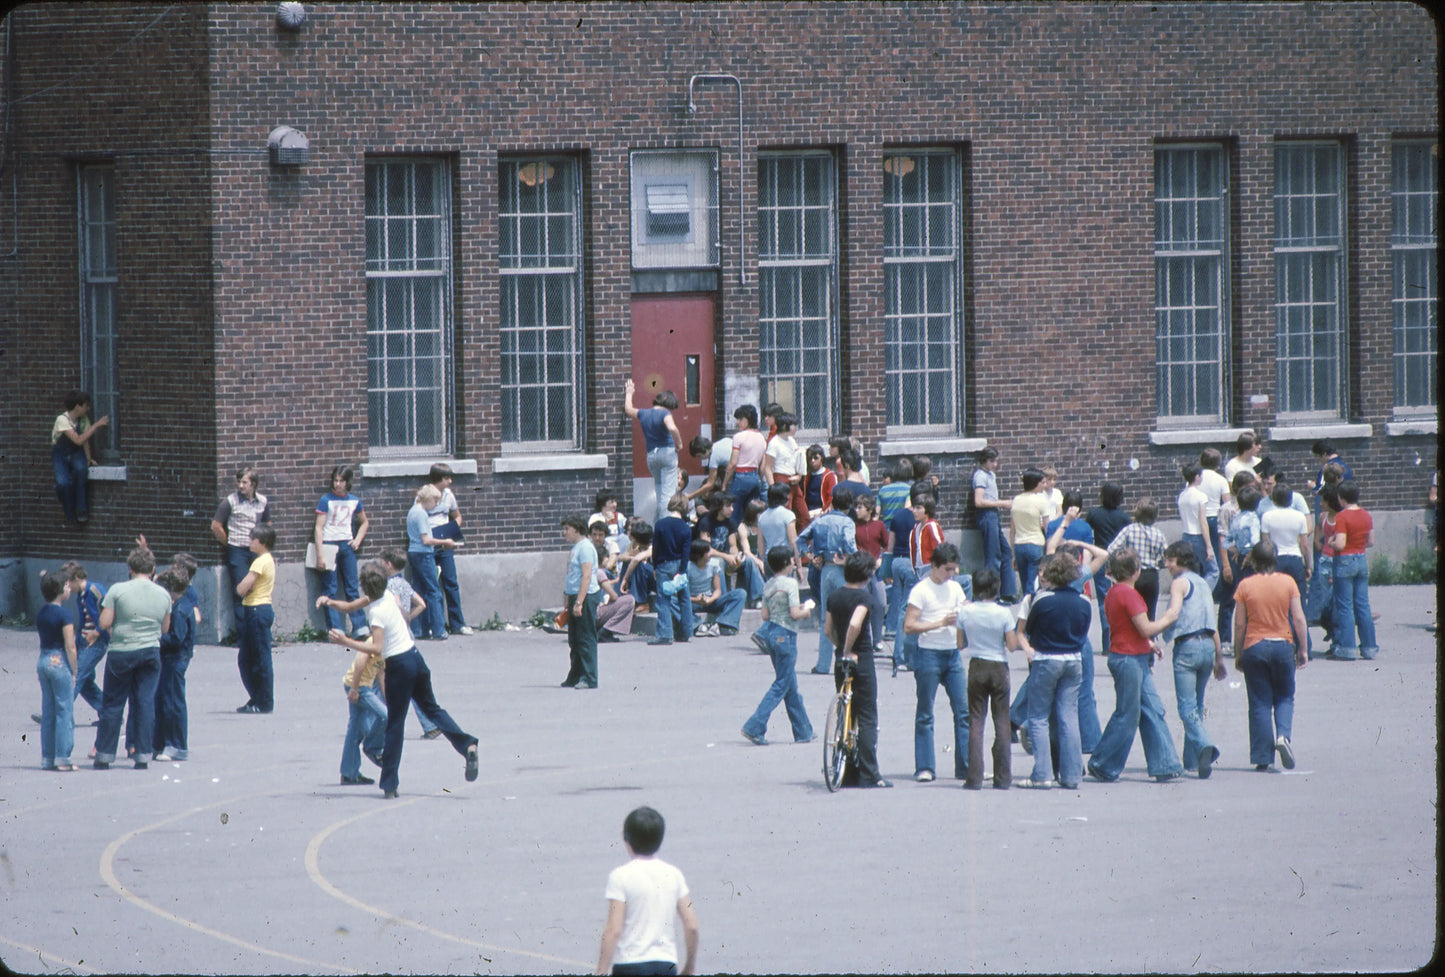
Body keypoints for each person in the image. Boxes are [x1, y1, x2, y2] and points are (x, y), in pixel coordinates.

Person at [327, 562, 479, 798]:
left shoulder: (376, 612)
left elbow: (376, 647)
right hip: (416, 659)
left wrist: (344, 641)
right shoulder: (386, 594)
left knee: (395, 725)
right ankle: (467, 744)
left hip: (398, 665)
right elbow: (351, 606)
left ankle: (389, 785)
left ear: (365, 587)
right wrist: (330, 602)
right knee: (433, 709)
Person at [1086, 547, 1184, 783]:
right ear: (1135, 571)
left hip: (1131, 654)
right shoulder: (1129, 595)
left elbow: (1127, 627)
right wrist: (1169, 618)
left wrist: (1148, 643)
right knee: (1128, 714)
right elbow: (1146, 627)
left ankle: (1165, 763)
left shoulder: (1114, 592)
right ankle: (1102, 763)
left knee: (1152, 709)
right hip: (1129, 658)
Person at [1014, 551, 1092, 789]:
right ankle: (1071, 775)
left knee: (1038, 716)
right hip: (1074, 660)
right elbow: (1084, 630)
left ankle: (1042, 774)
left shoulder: (1041, 599)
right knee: (1068, 716)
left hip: (1046, 657)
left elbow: (1032, 628)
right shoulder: (1084, 601)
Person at [595, 806, 700, 976]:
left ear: (626, 838)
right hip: (665, 965)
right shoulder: (674, 874)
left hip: (629, 966)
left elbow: (614, 929)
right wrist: (690, 966)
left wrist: (600, 971)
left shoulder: (620, 876)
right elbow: (692, 926)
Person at [1232, 540, 1308, 770]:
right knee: (1285, 696)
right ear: (1275, 559)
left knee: (1259, 702)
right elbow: (1299, 618)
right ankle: (1283, 736)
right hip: (1282, 645)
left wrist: (1238, 653)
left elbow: (1239, 624)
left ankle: (1263, 757)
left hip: (1255, 646)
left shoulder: (1245, 585)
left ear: (1253, 560)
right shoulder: (1288, 582)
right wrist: (1302, 649)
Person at [92, 546, 170, 769]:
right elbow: (165, 627)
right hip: (150, 651)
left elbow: (104, 623)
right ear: (153, 568)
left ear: (130, 568)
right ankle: (143, 754)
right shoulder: (163, 594)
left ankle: (105, 753)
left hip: (121, 650)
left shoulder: (118, 590)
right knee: (144, 702)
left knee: (113, 703)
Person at [1158, 541, 1227, 778]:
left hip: (1187, 647)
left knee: (1186, 707)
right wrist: (1219, 657)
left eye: (1170, 560)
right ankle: (1193, 760)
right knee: (1196, 706)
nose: (1166, 565)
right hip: (1207, 645)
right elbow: (1213, 623)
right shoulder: (1203, 584)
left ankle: (1206, 745)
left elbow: (1173, 613)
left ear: (1181, 561)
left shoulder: (1180, 583)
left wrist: (1153, 631)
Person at [903, 542, 970, 783]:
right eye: (948, 569)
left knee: (963, 712)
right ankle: (925, 767)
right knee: (925, 712)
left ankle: (965, 766)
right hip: (928, 653)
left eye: (954, 569)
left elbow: (964, 610)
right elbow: (909, 626)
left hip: (952, 654)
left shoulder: (955, 589)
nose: (952, 574)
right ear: (934, 566)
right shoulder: (921, 590)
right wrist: (940, 623)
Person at [827, 550, 890, 788]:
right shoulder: (864, 598)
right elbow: (855, 623)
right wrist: (848, 648)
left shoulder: (834, 596)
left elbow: (827, 630)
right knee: (866, 716)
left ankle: (845, 772)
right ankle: (869, 773)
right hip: (860, 657)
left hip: (840, 660)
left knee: (847, 712)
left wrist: (839, 648)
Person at [741, 547, 816, 746]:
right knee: (782, 684)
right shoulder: (790, 584)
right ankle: (754, 726)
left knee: (790, 684)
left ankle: (804, 731)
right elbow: (794, 614)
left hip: (772, 633)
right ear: (786, 563)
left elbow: (765, 615)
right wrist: (806, 611)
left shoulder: (768, 585)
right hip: (786, 635)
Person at [958, 569, 1018, 790]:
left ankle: (974, 777)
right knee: (1002, 721)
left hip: (977, 665)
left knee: (976, 721)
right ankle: (1002, 777)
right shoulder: (1004, 613)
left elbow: (960, 644)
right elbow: (1012, 646)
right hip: (998, 665)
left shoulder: (965, 612)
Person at [798, 484, 858, 674]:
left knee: (827, 617)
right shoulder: (847, 522)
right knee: (850, 615)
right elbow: (849, 544)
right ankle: (846, 658)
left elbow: (799, 539)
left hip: (825, 570)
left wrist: (810, 555)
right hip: (842, 570)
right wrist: (853, 558)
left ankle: (823, 664)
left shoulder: (820, 521)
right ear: (849, 505)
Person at [211, 466, 270, 641]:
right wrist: (228, 543)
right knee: (241, 592)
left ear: (253, 484)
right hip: (238, 550)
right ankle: (244, 637)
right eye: (239, 482)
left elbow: (267, 525)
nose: (240, 485)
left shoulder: (262, 502)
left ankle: (261, 634)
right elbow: (215, 525)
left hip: (256, 551)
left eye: (244, 482)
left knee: (259, 590)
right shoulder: (230, 501)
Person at [314, 464, 370, 638]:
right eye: (335, 481)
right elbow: (318, 528)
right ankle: (335, 629)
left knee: (352, 587)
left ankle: (360, 627)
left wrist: (358, 539)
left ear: (348, 482)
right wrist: (320, 554)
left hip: (346, 545)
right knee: (330, 588)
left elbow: (365, 522)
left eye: (341, 481)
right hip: (329, 544)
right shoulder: (326, 500)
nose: (338, 484)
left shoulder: (354, 500)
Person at [1260, 481, 1312, 656]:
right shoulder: (1299, 517)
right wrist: (1308, 564)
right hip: (1295, 558)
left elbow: (1265, 542)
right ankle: (1304, 646)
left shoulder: (1267, 516)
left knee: (1277, 603)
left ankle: (1284, 642)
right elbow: (1304, 544)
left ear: (1274, 499)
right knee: (1299, 604)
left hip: (1276, 560)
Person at [1328, 481, 1377, 661]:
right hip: (1361, 558)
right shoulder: (1366, 515)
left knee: (1345, 606)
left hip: (1344, 560)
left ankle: (1348, 647)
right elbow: (1370, 541)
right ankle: (1369, 647)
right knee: (1363, 605)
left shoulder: (1342, 517)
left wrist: (1331, 542)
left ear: (1341, 499)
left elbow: (1339, 543)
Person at [625, 379, 684, 525]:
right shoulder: (665, 413)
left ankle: (658, 525)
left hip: (652, 455)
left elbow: (628, 409)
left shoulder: (644, 413)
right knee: (668, 494)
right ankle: (666, 526)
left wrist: (629, 393)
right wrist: (679, 444)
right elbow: (672, 428)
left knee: (659, 491)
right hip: (667, 453)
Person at [36, 571, 78, 770]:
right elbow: (70, 646)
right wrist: (75, 670)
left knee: (49, 710)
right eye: (67, 586)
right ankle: (63, 757)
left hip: (43, 659)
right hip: (59, 659)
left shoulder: (42, 612)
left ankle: (48, 757)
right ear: (60, 591)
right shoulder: (65, 614)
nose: (69, 589)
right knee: (64, 710)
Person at [406, 483, 459, 641]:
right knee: (434, 591)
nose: (436, 505)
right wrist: (445, 541)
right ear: (428, 499)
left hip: (413, 552)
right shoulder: (421, 514)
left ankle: (418, 629)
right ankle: (438, 629)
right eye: (435, 501)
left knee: (419, 591)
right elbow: (426, 539)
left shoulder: (412, 512)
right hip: (423, 554)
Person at [153, 568, 195, 762]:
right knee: (168, 699)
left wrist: (157, 639)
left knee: (172, 701)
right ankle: (165, 742)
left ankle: (176, 745)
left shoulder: (179, 610)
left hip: (175, 659)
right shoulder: (183, 605)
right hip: (176, 658)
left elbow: (176, 638)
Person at [234, 524, 277, 714]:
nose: (250, 542)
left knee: (258, 659)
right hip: (256, 610)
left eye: (253, 539)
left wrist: (242, 587)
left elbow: (242, 588)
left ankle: (264, 702)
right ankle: (257, 697)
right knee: (248, 658)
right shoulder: (265, 560)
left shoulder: (260, 562)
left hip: (256, 610)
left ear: (262, 542)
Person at [426, 464, 472, 636]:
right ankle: (435, 624)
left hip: (445, 543)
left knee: (450, 582)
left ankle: (457, 623)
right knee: (431, 586)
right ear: (439, 479)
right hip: (429, 544)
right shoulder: (424, 495)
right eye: (447, 478)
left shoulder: (449, 496)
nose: (450, 481)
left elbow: (457, 515)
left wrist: (453, 529)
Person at [1084, 481, 1130, 650]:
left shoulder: (1094, 514)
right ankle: (1118, 639)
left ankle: (1107, 642)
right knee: (1119, 599)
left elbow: (1089, 534)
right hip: (1119, 558)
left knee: (1104, 600)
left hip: (1100, 556)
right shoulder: (1124, 517)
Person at [51, 390, 109, 523]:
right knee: (63, 483)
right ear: (78, 406)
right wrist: (97, 425)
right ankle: (69, 512)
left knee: (82, 470)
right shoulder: (62, 420)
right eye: (86, 406)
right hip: (61, 454)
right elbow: (78, 439)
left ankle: (81, 509)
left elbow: (85, 442)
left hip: (76, 452)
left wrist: (88, 458)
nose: (87, 409)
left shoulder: (83, 420)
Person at [560, 513, 603, 688]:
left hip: (585, 597)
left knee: (585, 638)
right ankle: (576, 674)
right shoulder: (576, 547)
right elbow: (571, 576)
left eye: (567, 529)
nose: (564, 533)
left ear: (577, 529)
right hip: (574, 596)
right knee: (575, 639)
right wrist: (568, 600)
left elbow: (586, 577)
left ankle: (589, 677)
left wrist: (579, 602)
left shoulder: (585, 547)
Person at [1106, 498, 1168, 619]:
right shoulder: (1158, 533)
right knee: (1150, 614)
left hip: (1132, 574)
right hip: (1151, 576)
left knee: (1132, 613)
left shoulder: (1129, 530)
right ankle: (1150, 636)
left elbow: (1111, 550)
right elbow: (1166, 556)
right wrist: (1158, 563)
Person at [60, 560, 107, 719]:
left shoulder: (95, 590)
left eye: (69, 583)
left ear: (78, 577)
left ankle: (58, 712)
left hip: (96, 642)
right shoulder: (80, 595)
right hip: (83, 640)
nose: (68, 587)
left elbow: (109, 613)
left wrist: (98, 631)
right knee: (84, 681)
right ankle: (107, 712)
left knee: (77, 674)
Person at [972, 447, 1018, 602]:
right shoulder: (980, 476)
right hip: (987, 515)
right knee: (993, 556)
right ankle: (992, 595)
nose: (995, 464)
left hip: (994, 515)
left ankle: (1008, 591)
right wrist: (1002, 503)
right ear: (985, 460)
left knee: (1005, 552)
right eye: (993, 461)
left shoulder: (991, 475)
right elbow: (978, 501)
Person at [648, 495, 695, 646]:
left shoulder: (660, 524)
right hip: (680, 564)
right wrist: (682, 570)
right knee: (684, 598)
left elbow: (656, 549)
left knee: (663, 600)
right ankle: (687, 632)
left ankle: (665, 634)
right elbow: (686, 552)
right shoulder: (686, 528)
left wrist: (655, 566)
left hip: (664, 564)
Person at [686, 539, 745, 637]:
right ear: (699, 555)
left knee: (740, 593)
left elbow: (718, 590)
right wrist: (695, 599)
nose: (710, 554)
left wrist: (710, 599)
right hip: (693, 602)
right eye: (707, 552)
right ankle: (698, 625)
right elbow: (683, 594)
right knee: (673, 600)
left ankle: (723, 624)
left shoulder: (713, 565)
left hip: (710, 600)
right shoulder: (687, 567)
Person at [590, 518, 637, 642]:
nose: (597, 538)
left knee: (606, 573)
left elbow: (610, 565)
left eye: (600, 535)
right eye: (594, 534)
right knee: (628, 600)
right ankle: (606, 630)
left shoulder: (611, 545)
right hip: (603, 582)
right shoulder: (588, 550)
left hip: (609, 575)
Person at [721, 404, 767, 521]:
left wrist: (725, 483)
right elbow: (762, 466)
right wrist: (759, 479)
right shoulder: (762, 438)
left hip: (741, 477)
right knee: (752, 515)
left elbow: (732, 463)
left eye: (741, 419)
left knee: (733, 513)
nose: (738, 422)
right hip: (755, 478)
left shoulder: (738, 437)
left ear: (749, 419)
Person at [1010, 468, 1051, 596]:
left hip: (1019, 545)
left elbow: (1012, 530)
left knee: (1024, 582)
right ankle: (1031, 610)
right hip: (1036, 544)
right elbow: (1047, 527)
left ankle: (1025, 608)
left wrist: (1013, 554)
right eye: (1043, 482)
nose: (1045, 485)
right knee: (1033, 585)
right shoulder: (1041, 501)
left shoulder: (1016, 500)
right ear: (1035, 483)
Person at [1177, 463, 1218, 579]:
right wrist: (1209, 546)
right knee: (1213, 571)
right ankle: (1203, 593)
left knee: (1192, 571)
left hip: (1185, 535)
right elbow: (1203, 521)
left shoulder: (1182, 496)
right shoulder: (1201, 496)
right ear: (1196, 477)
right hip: (1198, 536)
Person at [684, 434, 732, 506]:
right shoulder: (725, 440)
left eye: (699, 456)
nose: (701, 459)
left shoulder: (713, 457)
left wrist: (690, 496)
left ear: (705, 450)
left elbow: (710, 484)